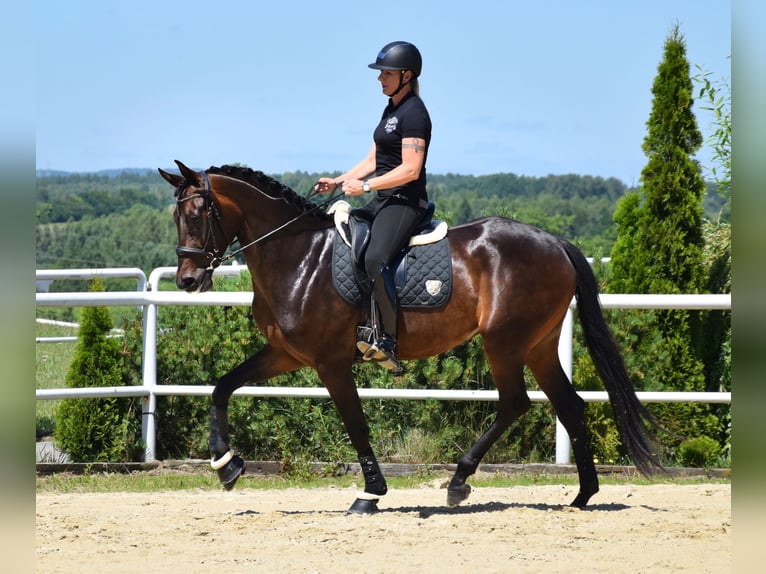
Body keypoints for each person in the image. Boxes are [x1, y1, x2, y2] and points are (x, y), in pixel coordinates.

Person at [316, 41, 432, 372]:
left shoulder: (414, 114)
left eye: (386, 73)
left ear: (406, 76)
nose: (380, 79)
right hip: (383, 199)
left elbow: (410, 170)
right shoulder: (391, 110)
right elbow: (372, 160)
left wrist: (364, 186)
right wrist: (338, 182)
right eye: (381, 73)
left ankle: (388, 340)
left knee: (375, 257)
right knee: (346, 240)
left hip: (406, 201)